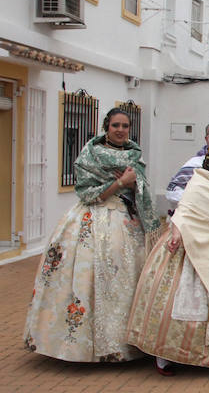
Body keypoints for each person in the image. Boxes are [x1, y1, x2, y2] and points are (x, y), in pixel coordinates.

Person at [24, 108, 161, 363]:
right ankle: (80, 345)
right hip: (94, 220)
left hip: (126, 220)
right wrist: (120, 183)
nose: (120, 130)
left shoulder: (134, 155)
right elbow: (86, 192)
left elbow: (140, 187)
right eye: (115, 125)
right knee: (88, 278)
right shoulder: (91, 154)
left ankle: (125, 343)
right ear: (106, 127)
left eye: (125, 126)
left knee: (126, 278)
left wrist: (134, 182)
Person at [127, 149, 209, 374]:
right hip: (192, 250)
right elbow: (184, 212)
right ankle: (167, 356)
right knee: (184, 302)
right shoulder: (198, 186)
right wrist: (176, 234)